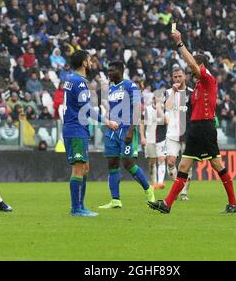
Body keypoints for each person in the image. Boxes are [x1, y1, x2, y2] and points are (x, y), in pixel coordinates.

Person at [148, 29, 236, 214]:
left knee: (217, 165)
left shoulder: (208, 80)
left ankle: (233, 203)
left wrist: (180, 43)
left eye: (194, 66)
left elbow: (191, 63)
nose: (190, 69)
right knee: (183, 166)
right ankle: (167, 204)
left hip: (205, 128)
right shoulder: (198, 86)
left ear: (201, 66)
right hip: (195, 130)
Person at [63, 50, 118, 217]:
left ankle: (80, 205)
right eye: (89, 60)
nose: (92, 63)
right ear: (85, 63)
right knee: (79, 168)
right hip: (75, 129)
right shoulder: (79, 82)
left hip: (77, 129)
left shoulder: (72, 80)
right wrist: (107, 121)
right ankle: (76, 208)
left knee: (84, 167)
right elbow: (86, 109)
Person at [99, 61, 155, 209]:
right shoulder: (110, 89)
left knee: (128, 162)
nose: (109, 73)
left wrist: (131, 130)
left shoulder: (131, 86)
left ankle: (148, 189)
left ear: (120, 71)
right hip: (112, 130)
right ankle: (115, 200)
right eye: (108, 70)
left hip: (127, 128)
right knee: (112, 162)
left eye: (112, 70)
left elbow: (137, 109)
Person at [164, 66, 194, 201]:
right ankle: (178, 187)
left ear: (185, 77)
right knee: (170, 162)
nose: (177, 79)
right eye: (175, 77)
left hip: (188, 133)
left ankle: (184, 193)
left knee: (187, 165)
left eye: (180, 76)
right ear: (172, 78)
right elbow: (167, 107)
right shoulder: (168, 92)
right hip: (172, 133)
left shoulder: (192, 93)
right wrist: (173, 93)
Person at [139, 92, 167, 187]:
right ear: (153, 98)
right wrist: (142, 137)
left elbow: (167, 121)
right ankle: (154, 183)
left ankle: (160, 183)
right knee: (152, 162)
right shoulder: (147, 109)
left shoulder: (165, 109)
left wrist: (159, 109)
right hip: (150, 139)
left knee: (162, 159)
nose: (159, 99)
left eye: (160, 97)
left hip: (162, 138)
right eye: (157, 97)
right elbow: (142, 124)